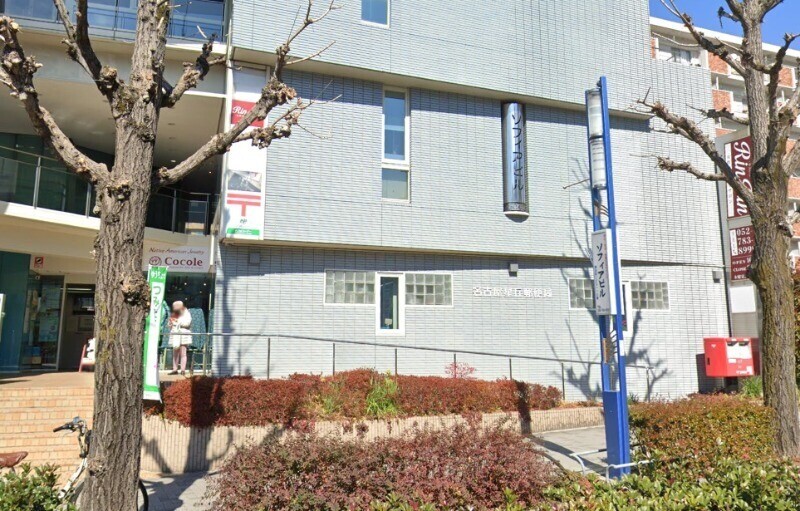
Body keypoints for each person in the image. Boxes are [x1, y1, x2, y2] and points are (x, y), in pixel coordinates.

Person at [168, 301, 192, 376]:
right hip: (175, 334)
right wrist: (170, 323)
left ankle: (183, 370)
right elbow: (169, 325)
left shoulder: (186, 313)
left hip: (183, 334)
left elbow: (187, 323)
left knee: (183, 352)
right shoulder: (174, 313)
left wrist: (177, 322)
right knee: (175, 352)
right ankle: (174, 369)